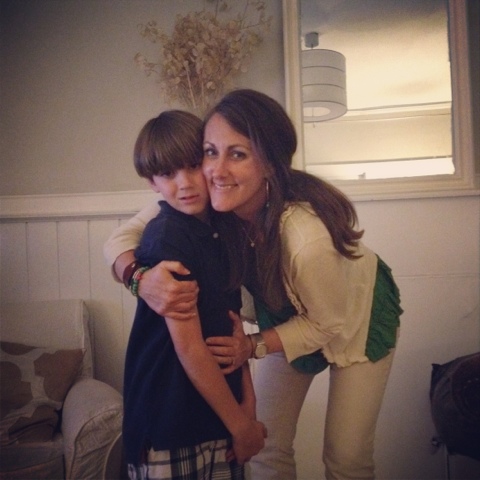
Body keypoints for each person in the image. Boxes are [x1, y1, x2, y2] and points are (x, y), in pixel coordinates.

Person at [104, 90, 403, 480]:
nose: (216, 170)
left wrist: (252, 345)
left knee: (346, 458)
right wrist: (140, 279)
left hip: (355, 319)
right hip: (285, 316)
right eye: (210, 152)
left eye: (238, 154)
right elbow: (120, 239)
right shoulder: (205, 193)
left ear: (270, 164)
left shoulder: (305, 238)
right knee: (268, 444)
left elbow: (327, 322)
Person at [121, 110, 265, 480]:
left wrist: (248, 405)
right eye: (168, 174)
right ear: (151, 181)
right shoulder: (167, 237)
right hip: (170, 421)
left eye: (192, 165)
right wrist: (241, 425)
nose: (184, 183)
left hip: (220, 416)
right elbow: (189, 347)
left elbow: (232, 329)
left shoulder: (224, 227)